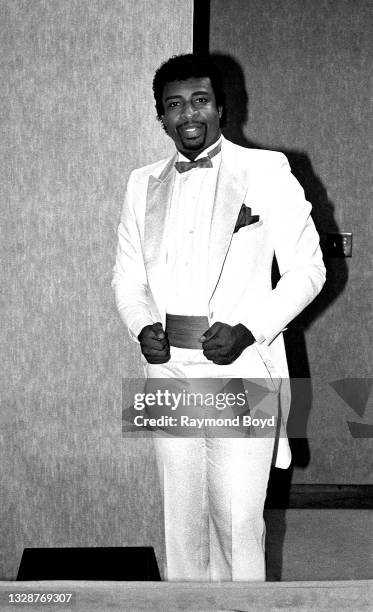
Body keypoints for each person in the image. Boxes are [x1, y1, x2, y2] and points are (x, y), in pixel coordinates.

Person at [112, 54, 326, 582]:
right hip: (168, 374)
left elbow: (309, 270)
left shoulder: (267, 171)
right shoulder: (141, 184)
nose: (189, 114)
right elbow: (127, 279)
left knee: (236, 522)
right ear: (160, 116)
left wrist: (248, 329)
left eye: (200, 100)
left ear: (223, 107)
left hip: (242, 367)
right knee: (181, 524)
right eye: (174, 104)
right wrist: (143, 327)